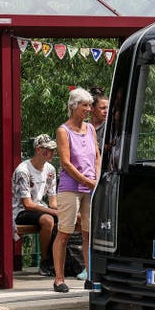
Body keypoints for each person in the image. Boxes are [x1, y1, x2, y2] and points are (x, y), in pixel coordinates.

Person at [54, 88, 100, 292]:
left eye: (90, 105)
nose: (89, 109)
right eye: (85, 105)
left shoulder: (90, 129)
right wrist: (87, 181)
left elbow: (97, 155)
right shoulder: (63, 130)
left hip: (91, 187)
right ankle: (59, 278)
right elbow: (66, 163)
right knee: (65, 232)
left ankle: (91, 276)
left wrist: (96, 179)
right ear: (74, 106)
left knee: (89, 233)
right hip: (71, 187)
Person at [12, 134, 59, 277]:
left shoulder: (50, 169)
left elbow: (53, 200)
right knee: (48, 220)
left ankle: (60, 260)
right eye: (48, 149)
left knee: (68, 220)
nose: (52, 153)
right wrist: (53, 212)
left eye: (53, 150)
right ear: (38, 150)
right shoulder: (23, 170)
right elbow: (27, 204)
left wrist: (63, 211)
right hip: (20, 211)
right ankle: (44, 261)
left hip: (40, 207)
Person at [89, 86, 109, 152]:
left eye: (107, 108)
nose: (106, 111)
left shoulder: (110, 127)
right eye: (102, 108)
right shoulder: (83, 126)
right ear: (92, 108)